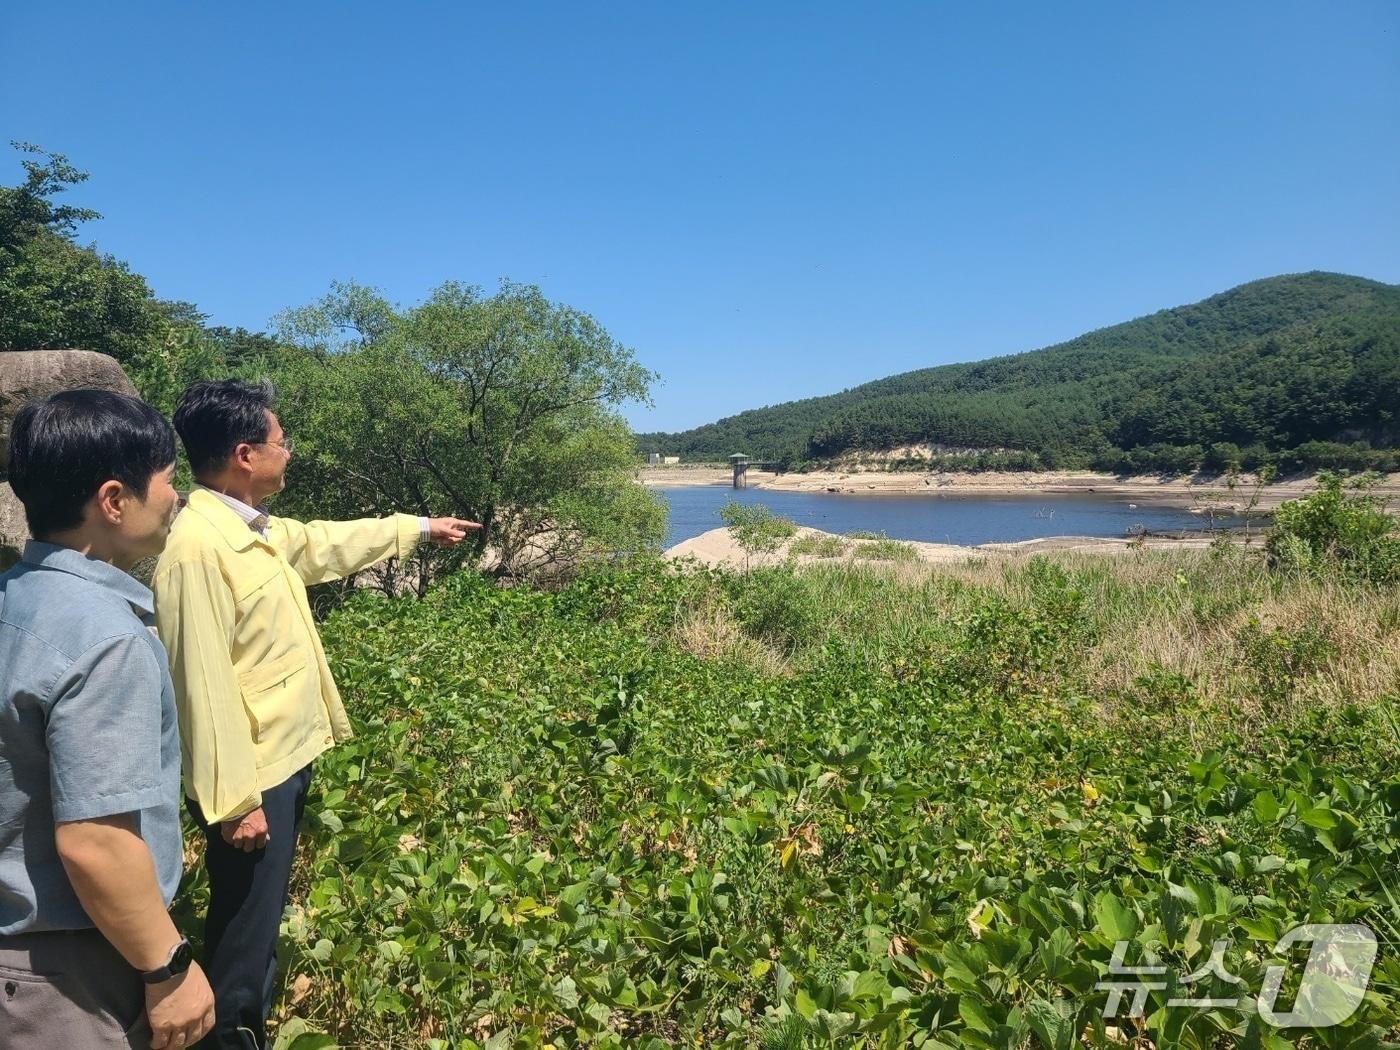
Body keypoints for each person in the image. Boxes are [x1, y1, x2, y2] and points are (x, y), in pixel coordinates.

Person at [151, 379, 477, 1049]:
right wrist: (235, 802)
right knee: (243, 937)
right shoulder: (197, 549)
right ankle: (230, 1037)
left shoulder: (252, 530)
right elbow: (201, 686)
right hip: (251, 779)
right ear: (245, 455)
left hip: (281, 760)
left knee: (258, 922)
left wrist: (418, 528)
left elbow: (326, 544)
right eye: (281, 442)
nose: (289, 452)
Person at [0, 390, 215, 1050]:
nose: (177, 498)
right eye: (169, 480)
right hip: (64, 974)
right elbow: (96, 841)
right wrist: (168, 967)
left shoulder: (14, 599)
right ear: (114, 500)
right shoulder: (106, 638)